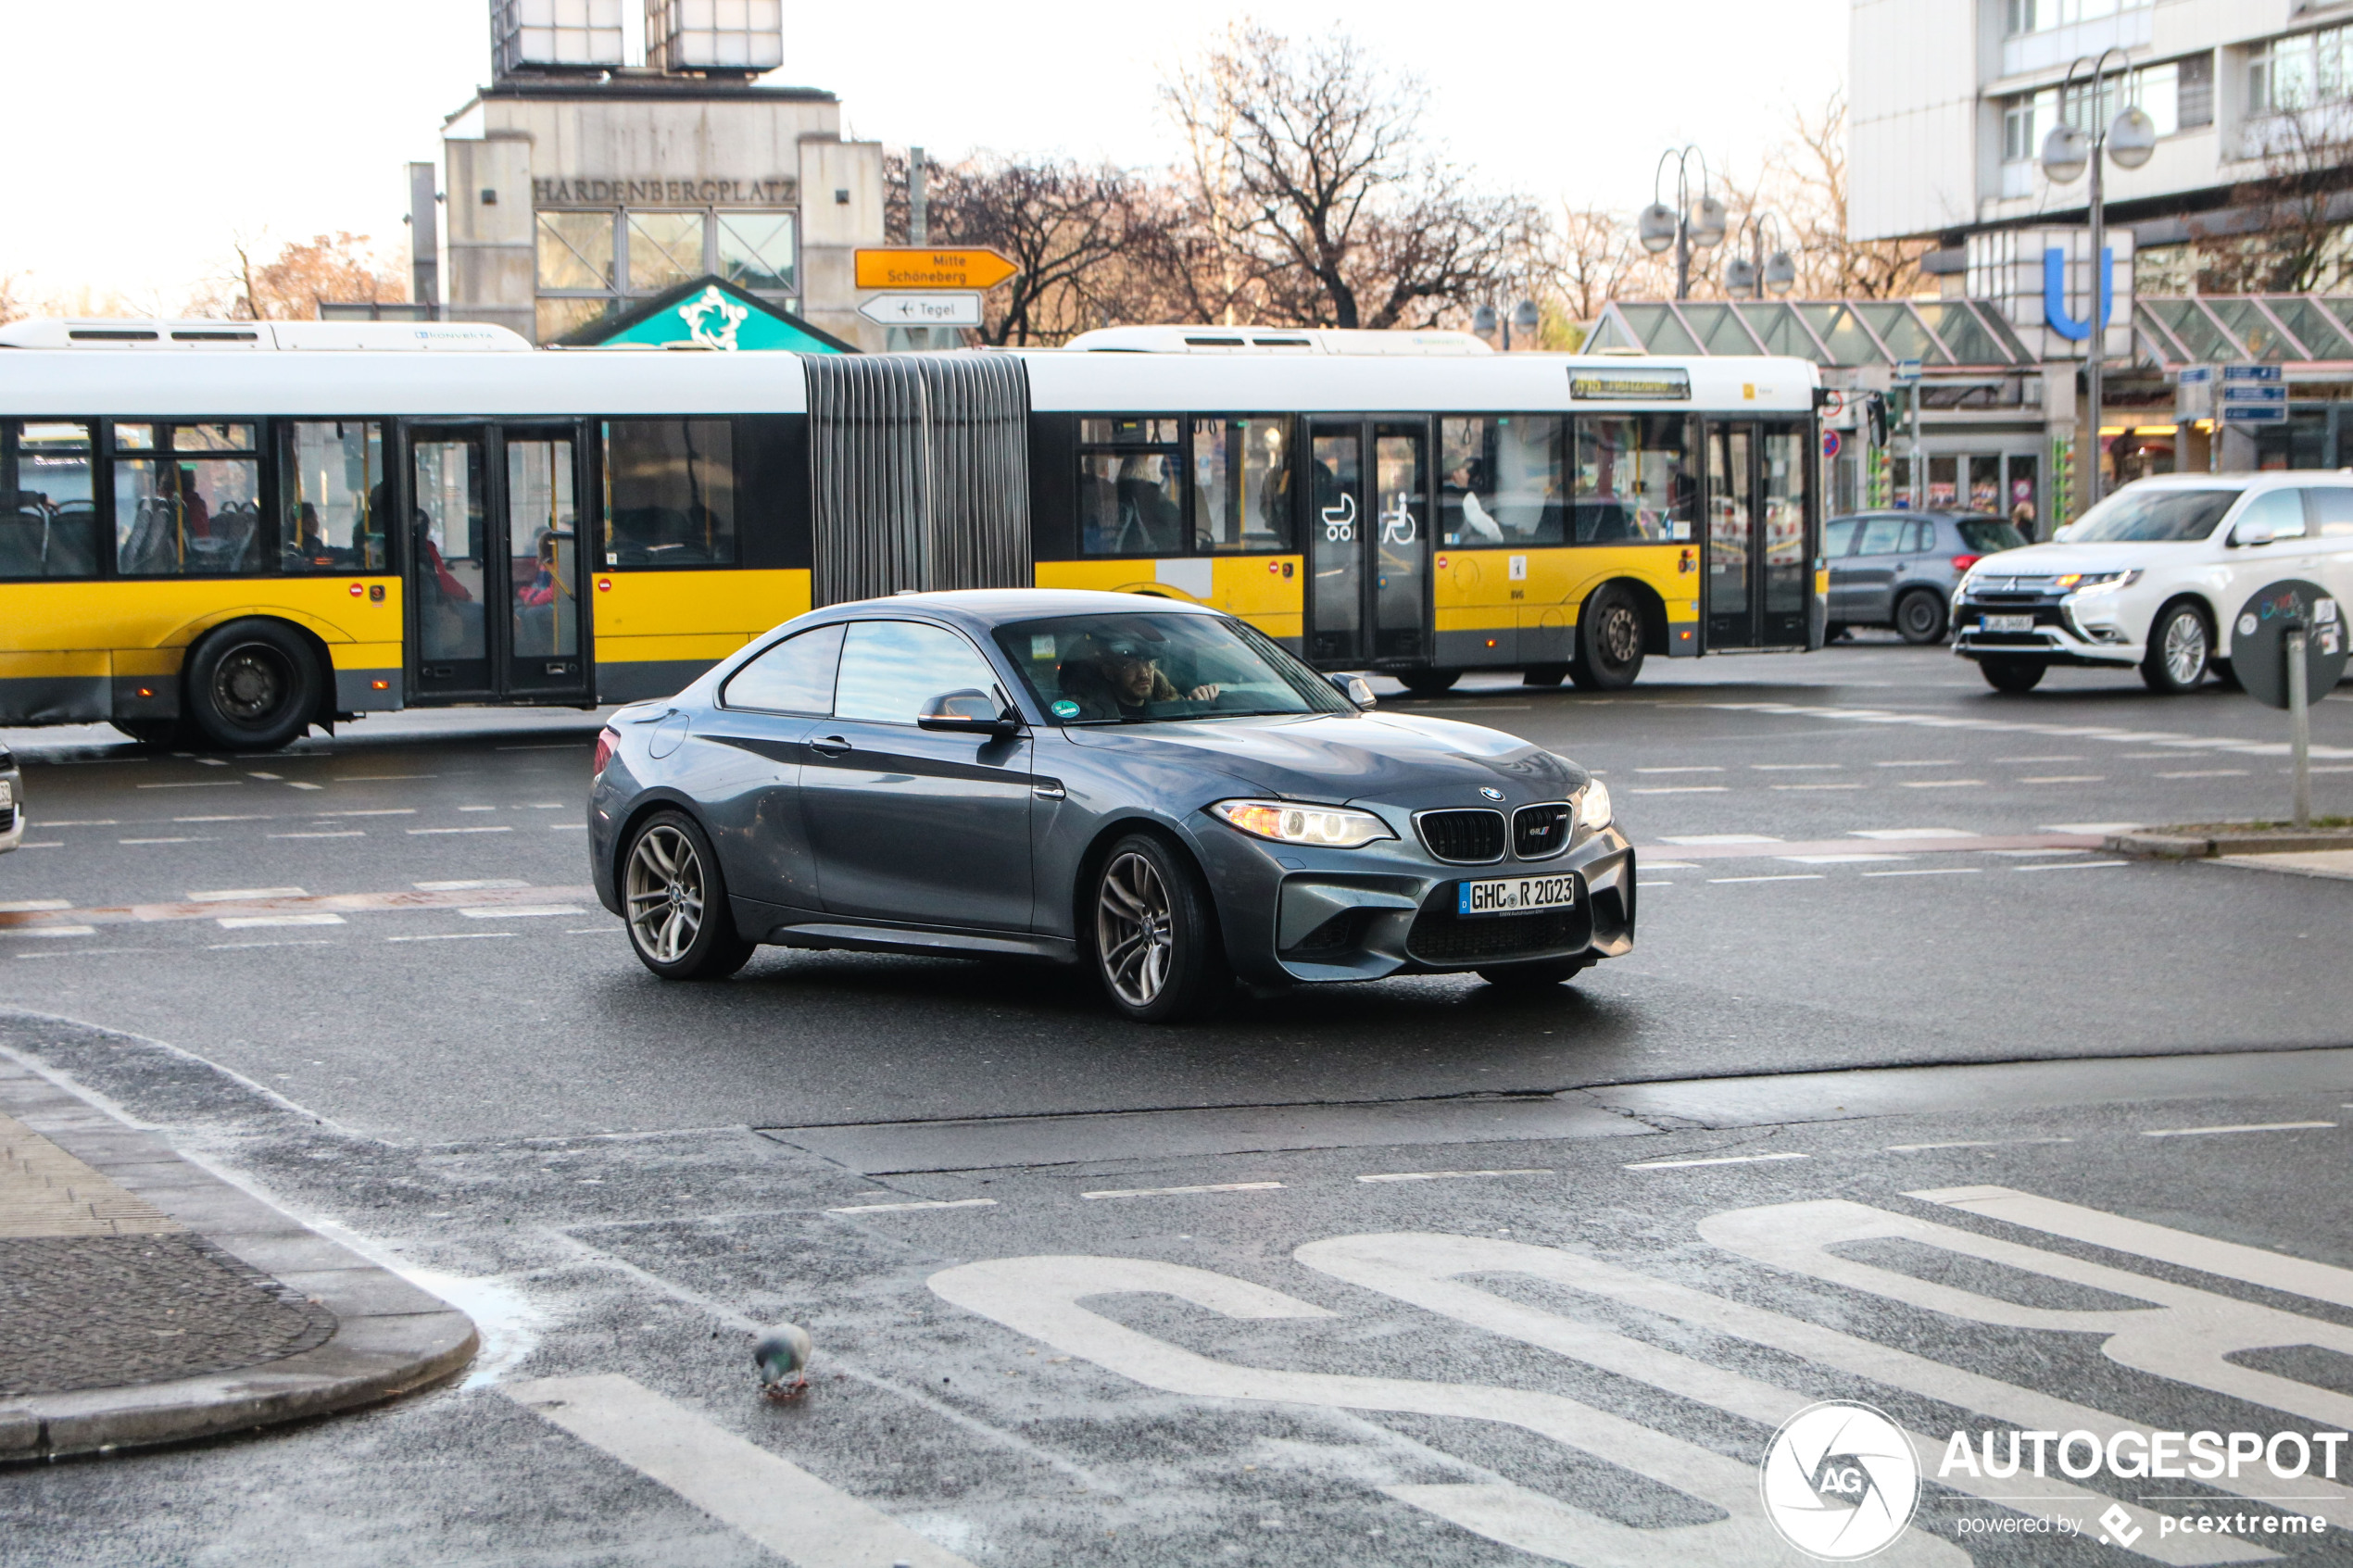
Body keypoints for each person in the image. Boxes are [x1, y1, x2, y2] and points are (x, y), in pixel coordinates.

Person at [1057, 635, 1220, 720]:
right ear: (1110, 672)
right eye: (1131, 665)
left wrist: (1201, 700)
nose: (1144, 673)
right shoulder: (1085, 715)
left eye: (1150, 663)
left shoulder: (1171, 705)